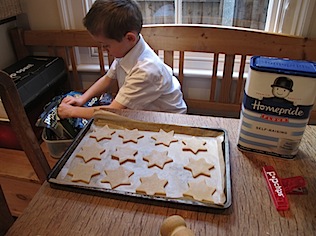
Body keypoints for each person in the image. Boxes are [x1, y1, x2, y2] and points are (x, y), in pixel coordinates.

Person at [58, 0, 187, 120]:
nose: (103, 50)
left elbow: (113, 111)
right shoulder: (128, 51)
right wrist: (82, 99)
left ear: (129, 38)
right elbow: (107, 79)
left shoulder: (146, 70)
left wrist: (72, 112)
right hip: (146, 112)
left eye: (106, 45)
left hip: (170, 120)